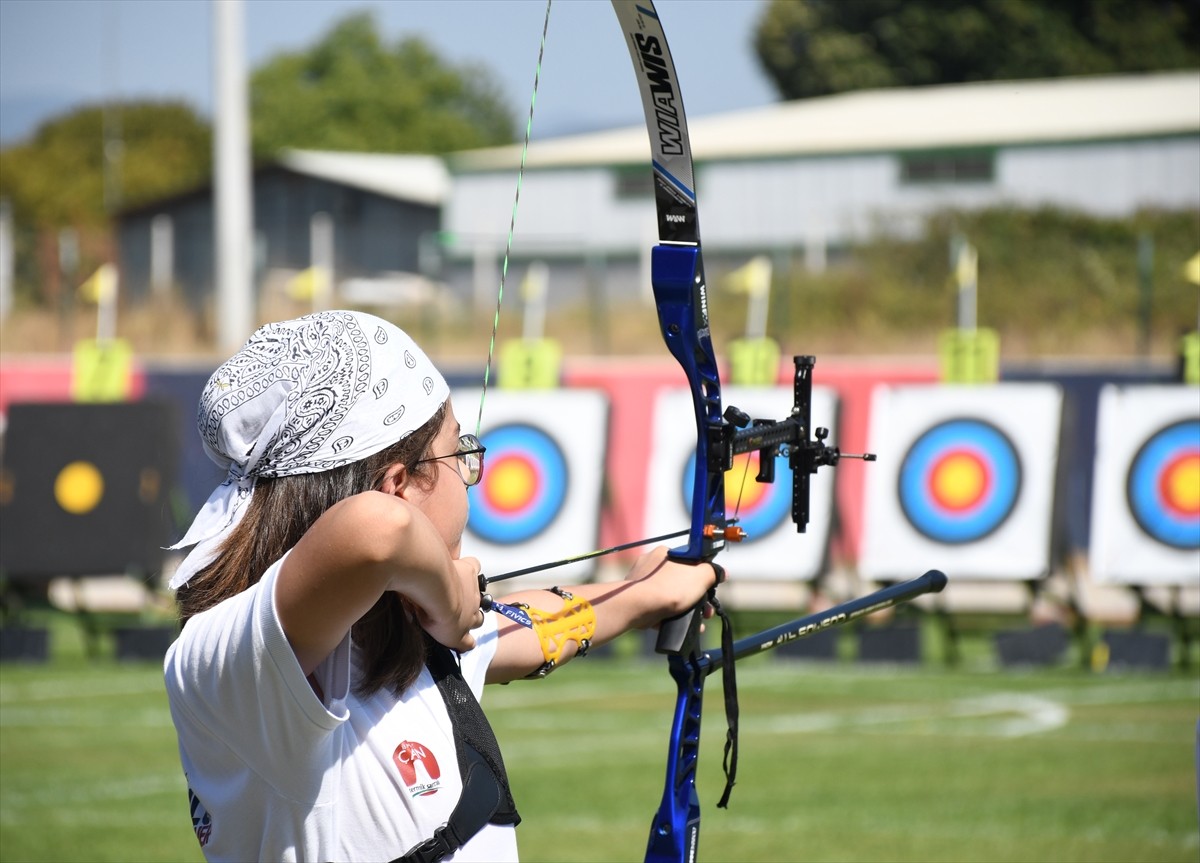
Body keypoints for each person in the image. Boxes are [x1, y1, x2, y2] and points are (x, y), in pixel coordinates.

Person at [162, 310, 718, 863]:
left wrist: (644, 594)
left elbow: (526, 628)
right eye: (459, 452)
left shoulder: (397, 630)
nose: (471, 471)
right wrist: (449, 600)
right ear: (399, 484)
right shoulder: (227, 666)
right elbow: (377, 531)